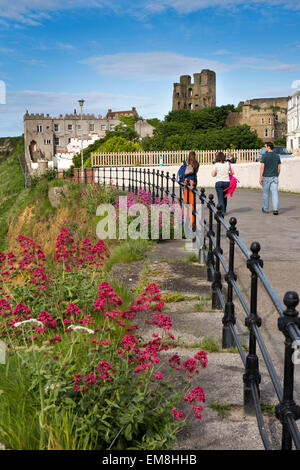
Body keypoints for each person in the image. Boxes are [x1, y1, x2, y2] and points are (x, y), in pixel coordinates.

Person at [259, 141, 281, 215]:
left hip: (266, 177)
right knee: (275, 194)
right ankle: (275, 209)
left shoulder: (264, 156)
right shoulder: (277, 156)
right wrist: (277, 175)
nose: (264, 148)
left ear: (269, 147)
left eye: (265, 147)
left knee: (266, 194)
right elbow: (279, 168)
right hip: (275, 177)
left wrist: (260, 177)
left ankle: (265, 209)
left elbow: (262, 167)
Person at [211, 151, 234, 216]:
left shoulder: (216, 165)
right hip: (227, 182)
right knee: (225, 196)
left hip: (219, 182)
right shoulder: (228, 164)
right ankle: (224, 209)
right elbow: (232, 172)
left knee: (220, 198)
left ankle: (221, 211)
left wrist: (217, 173)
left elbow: (213, 174)